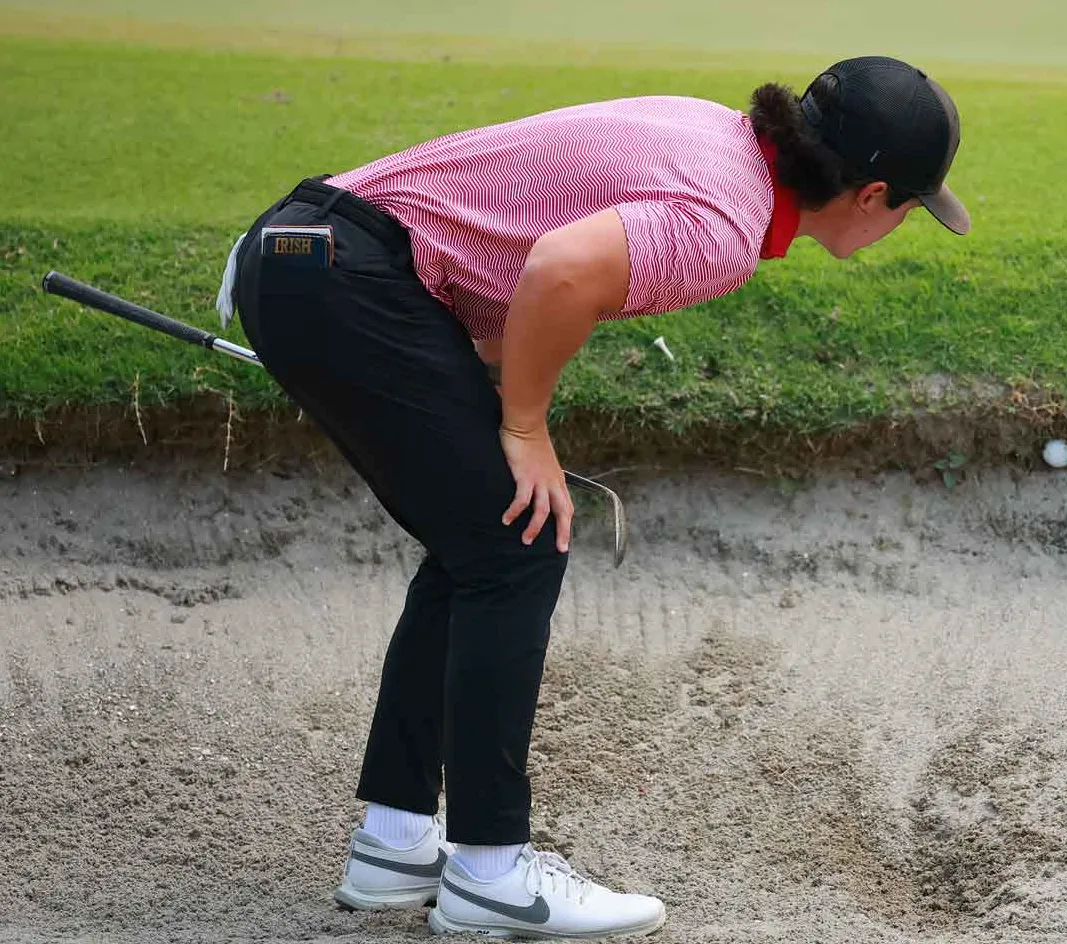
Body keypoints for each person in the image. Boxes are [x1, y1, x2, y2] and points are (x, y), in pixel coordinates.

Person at [220, 55, 966, 938]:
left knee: (484, 537)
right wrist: (525, 430)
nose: (905, 224)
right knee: (517, 542)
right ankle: (493, 875)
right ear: (873, 195)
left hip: (312, 250)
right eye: (915, 208)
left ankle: (393, 844)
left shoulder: (718, 137)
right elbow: (562, 268)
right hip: (343, 271)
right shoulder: (722, 225)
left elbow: (507, 274)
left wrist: (484, 403)